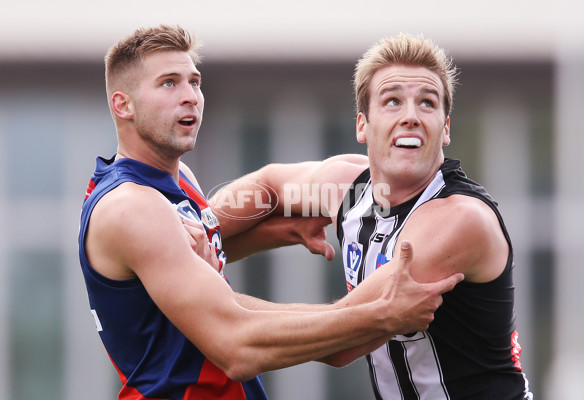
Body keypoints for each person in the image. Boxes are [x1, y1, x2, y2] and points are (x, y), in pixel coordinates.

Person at [76, 25, 464, 400]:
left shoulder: (175, 180)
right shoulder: (132, 207)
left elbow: (185, 259)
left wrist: (275, 231)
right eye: (168, 83)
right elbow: (237, 347)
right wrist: (386, 315)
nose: (190, 96)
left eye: (194, 81)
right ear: (122, 104)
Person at [212, 33, 534, 399]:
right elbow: (268, 188)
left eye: (427, 103)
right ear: (362, 126)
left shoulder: (456, 219)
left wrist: (193, 292)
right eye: (393, 101)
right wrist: (201, 228)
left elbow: (336, 341)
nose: (410, 116)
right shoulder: (352, 192)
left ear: (444, 129)